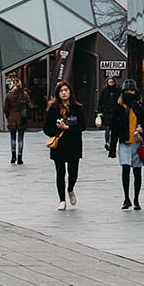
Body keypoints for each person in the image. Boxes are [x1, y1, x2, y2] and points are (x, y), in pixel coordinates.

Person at [108, 78, 144, 212]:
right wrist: (112, 148)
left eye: (132, 90)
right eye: (127, 91)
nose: (129, 93)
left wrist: (142, 129)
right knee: (125, 170)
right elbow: (114, 128)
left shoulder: (140, 106)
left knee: (137, 172)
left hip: (138, 143)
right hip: (124, 143)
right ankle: (126, 198)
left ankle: (136, 199)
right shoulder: (119, 107)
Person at [42, 79, 85, 211]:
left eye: (66, 90)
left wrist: (68, 128)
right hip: (59, 145)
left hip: (74, 144)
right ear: (58, 94)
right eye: (61, 91)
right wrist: (57, 129)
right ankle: (62, 200)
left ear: (70, 92)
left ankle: (70, 188)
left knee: (73, 172)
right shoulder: (53, 109)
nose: (64, 93)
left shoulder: (77, 108)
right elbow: (46, 128)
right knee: (60, 173)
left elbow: (82, 126)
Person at [3, 77, 28, 165]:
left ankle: (13, 156)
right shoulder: (24, 94)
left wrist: (8, 116)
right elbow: (29, 105)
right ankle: (20, 157)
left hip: (12, 118)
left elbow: (5, 108)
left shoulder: (9, 95)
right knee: (20, 139)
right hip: (21, 118)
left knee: (13, 138)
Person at [98, 73, 120, 157]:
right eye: (109, 82)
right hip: (106, 112)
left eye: (112, 82)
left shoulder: (118, 90)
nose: (111, 83)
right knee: (107, 128)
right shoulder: (104, 90)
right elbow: (101, 101)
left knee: (114, 128)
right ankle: (107, 142)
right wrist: (100, 111)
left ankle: (111, 143)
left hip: (115, 112)